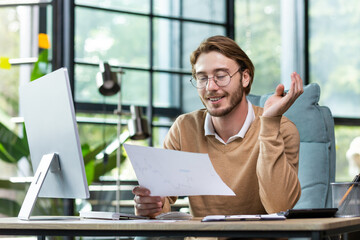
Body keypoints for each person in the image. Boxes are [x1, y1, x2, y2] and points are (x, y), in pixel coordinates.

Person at [133, 35, 303, 218]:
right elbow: (161, 202)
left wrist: (269, 123)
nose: (210, 87)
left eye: (221, 76)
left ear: (245, 77)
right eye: (202, 78)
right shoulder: (184, 128)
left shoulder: (282, 129)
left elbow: (279, 207)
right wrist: (150, 205)